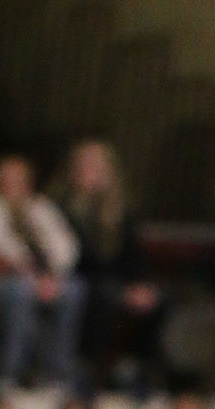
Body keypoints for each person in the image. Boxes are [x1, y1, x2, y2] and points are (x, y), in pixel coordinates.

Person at [50, 139, 163, 388]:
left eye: (97, 168)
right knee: (101, 297)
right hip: (83, 279)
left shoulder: (121, 211)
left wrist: (141, 284)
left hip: (116, 282)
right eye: (85, 167)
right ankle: (92, 367)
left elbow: (134, 255)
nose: (91, 174)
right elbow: (75, 259)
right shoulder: (61, 208)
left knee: (157, 300)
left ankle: (136, 366)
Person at [0, 155, 81, 395]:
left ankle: (56, 374)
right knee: (21, 291)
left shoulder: (40, 207)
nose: (14, 184)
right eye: (8, 178)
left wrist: (54, 275)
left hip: (40, 279)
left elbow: (65, 244)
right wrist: (34, 278)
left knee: (73, 291)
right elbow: (2, 247)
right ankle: (10, 374)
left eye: (19, 179)